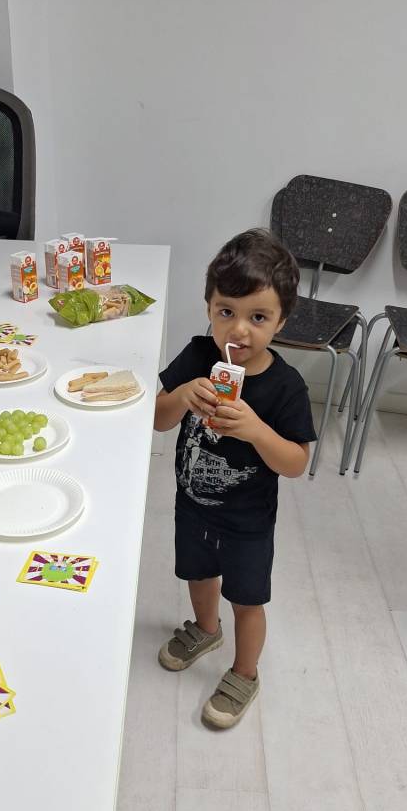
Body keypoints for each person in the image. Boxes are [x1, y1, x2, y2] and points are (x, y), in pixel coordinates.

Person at [154, 229, 317, 729]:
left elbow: (296, 462)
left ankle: (245, 673)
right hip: (192, 504)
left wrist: (257, 430)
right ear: (209, 306)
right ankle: (206, 629)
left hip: (248, 522)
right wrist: (182, 395)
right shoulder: (198, 355)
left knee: (247, 600)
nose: (239, 331)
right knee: (198, 576)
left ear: (281, 321)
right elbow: (157, 419)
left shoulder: (287, 387)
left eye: (258, 317)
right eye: (226, 311)